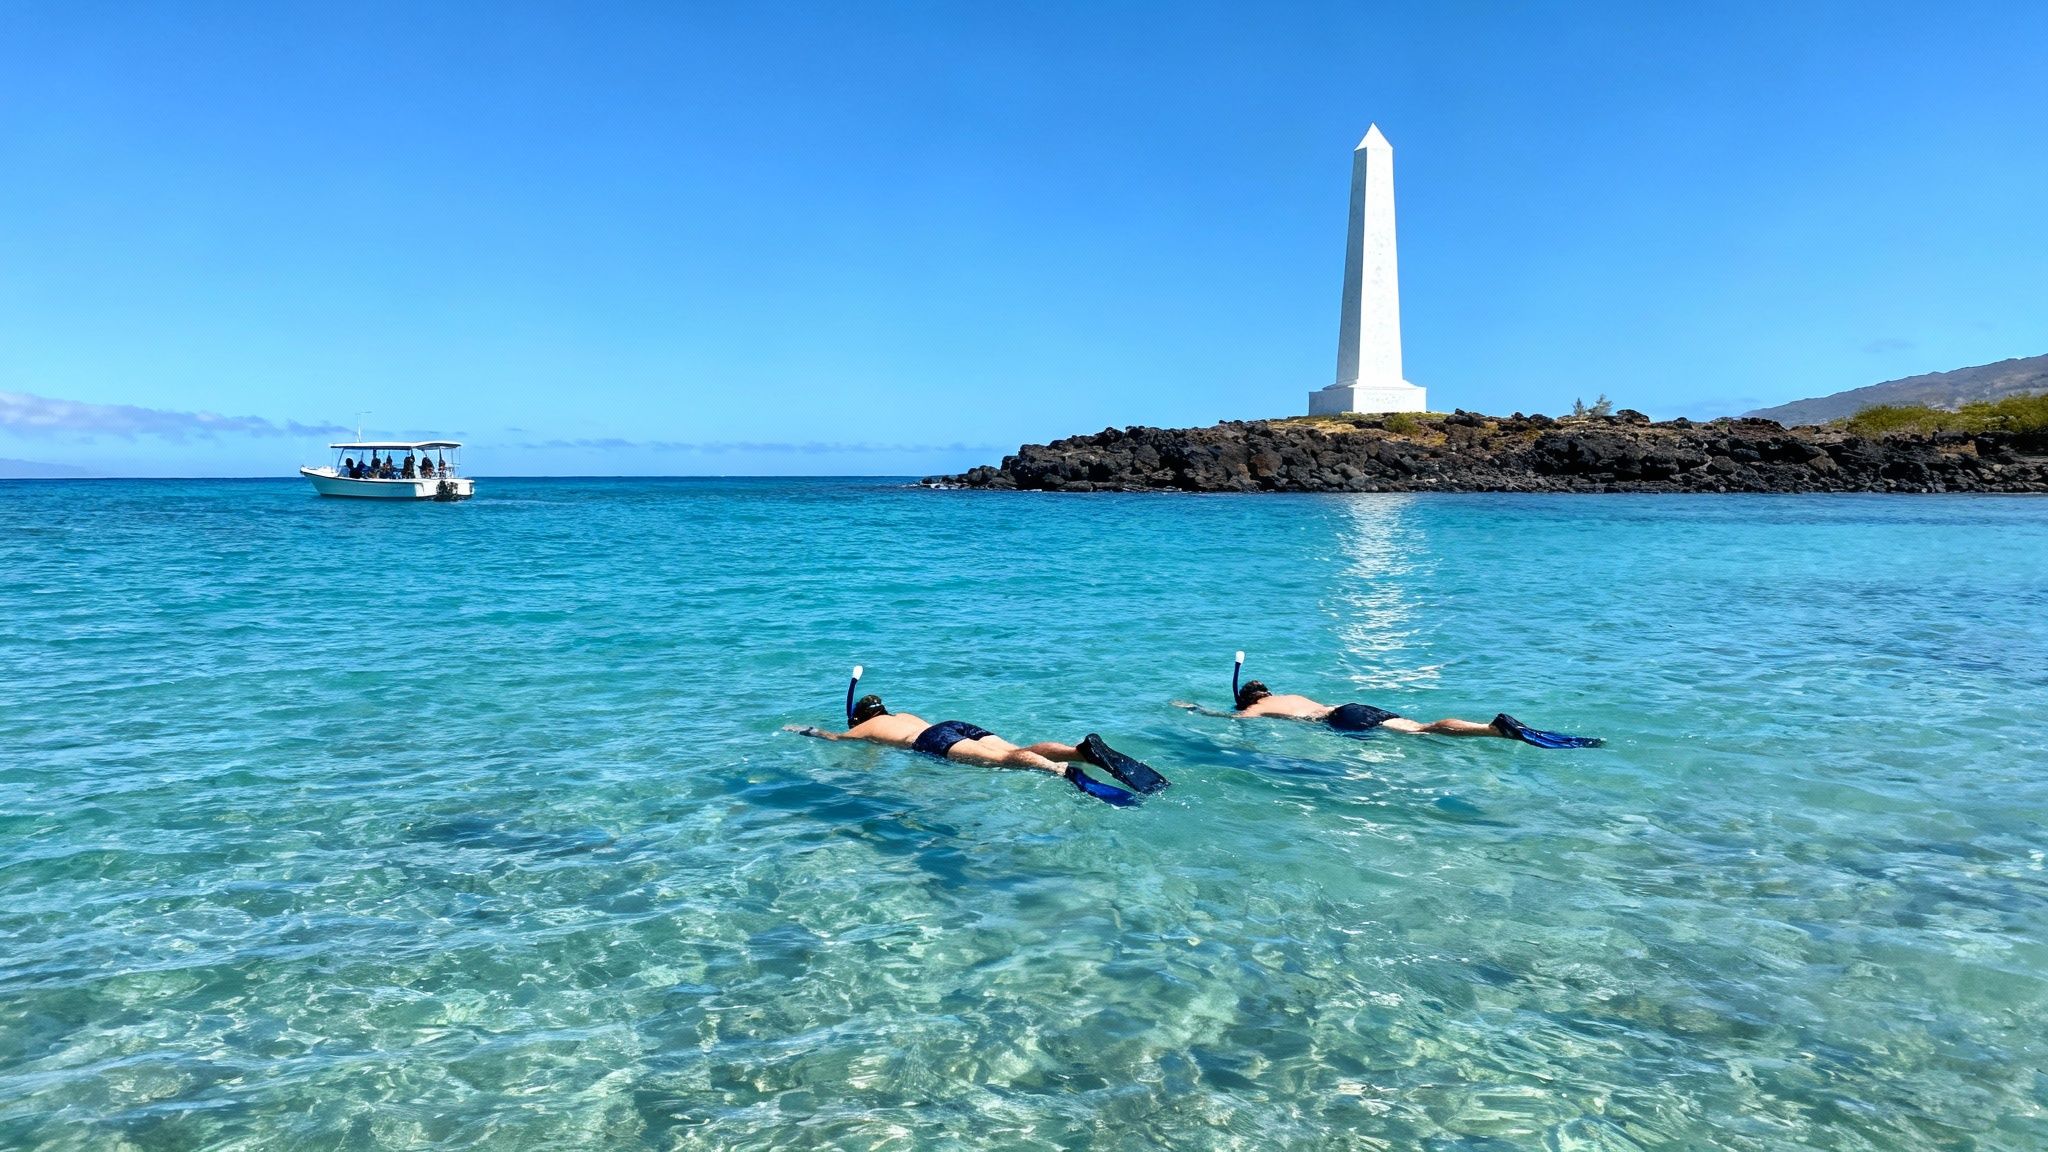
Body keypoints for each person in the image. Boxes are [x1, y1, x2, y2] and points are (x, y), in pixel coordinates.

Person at [786, 693, 1170, 806]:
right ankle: (1078, 751)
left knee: (1006, 762)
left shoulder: (866, 726)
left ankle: (1062, 771)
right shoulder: (904, 712)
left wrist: (805, 730)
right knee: (1014, 749)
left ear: (859, 717)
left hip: (931, 741)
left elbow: (835, 739)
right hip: (951, 724)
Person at [1181, 679, 1602, 747]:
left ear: (1247, 700)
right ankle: (1487, 728)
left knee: (1420, 734)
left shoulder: (1258, 710)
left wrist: (1196, 710)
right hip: (1351, 706)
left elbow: (1230, 721)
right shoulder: (1291, 693)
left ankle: (1493, 732)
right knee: (1418, 725)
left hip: (1337, 721)